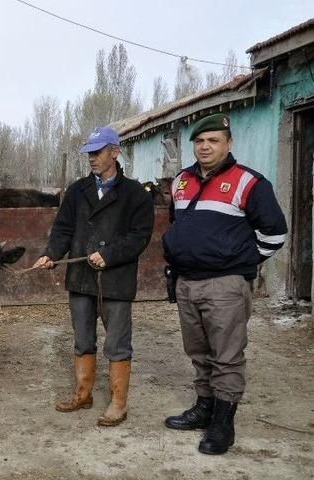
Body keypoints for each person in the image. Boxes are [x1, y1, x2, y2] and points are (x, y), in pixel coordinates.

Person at [162, 113, 287, 455]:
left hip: (225, 286)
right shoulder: (181, 181)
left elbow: (275, 234)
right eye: (200, 141)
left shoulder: (250, 182)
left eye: (213, 140)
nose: (205, 147)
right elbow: (178, 225)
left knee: (227, 356)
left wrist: (240, 262)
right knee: (198, 352)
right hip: (187, 283)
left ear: (228, 143)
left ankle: (223, 424)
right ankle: (204, 407)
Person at [32, 126, 154, 426]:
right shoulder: (77, 190)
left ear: (115, 151)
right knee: (83, 339)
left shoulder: (135, 194)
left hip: (115, 282)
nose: (92, 158)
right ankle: (83, 394)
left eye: (97, 152)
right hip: (81, 279)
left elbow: (140, 236)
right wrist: (52, 253)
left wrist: (109, 255)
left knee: (117, 343)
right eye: (89, 153)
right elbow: (63, 228)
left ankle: (118, 403)